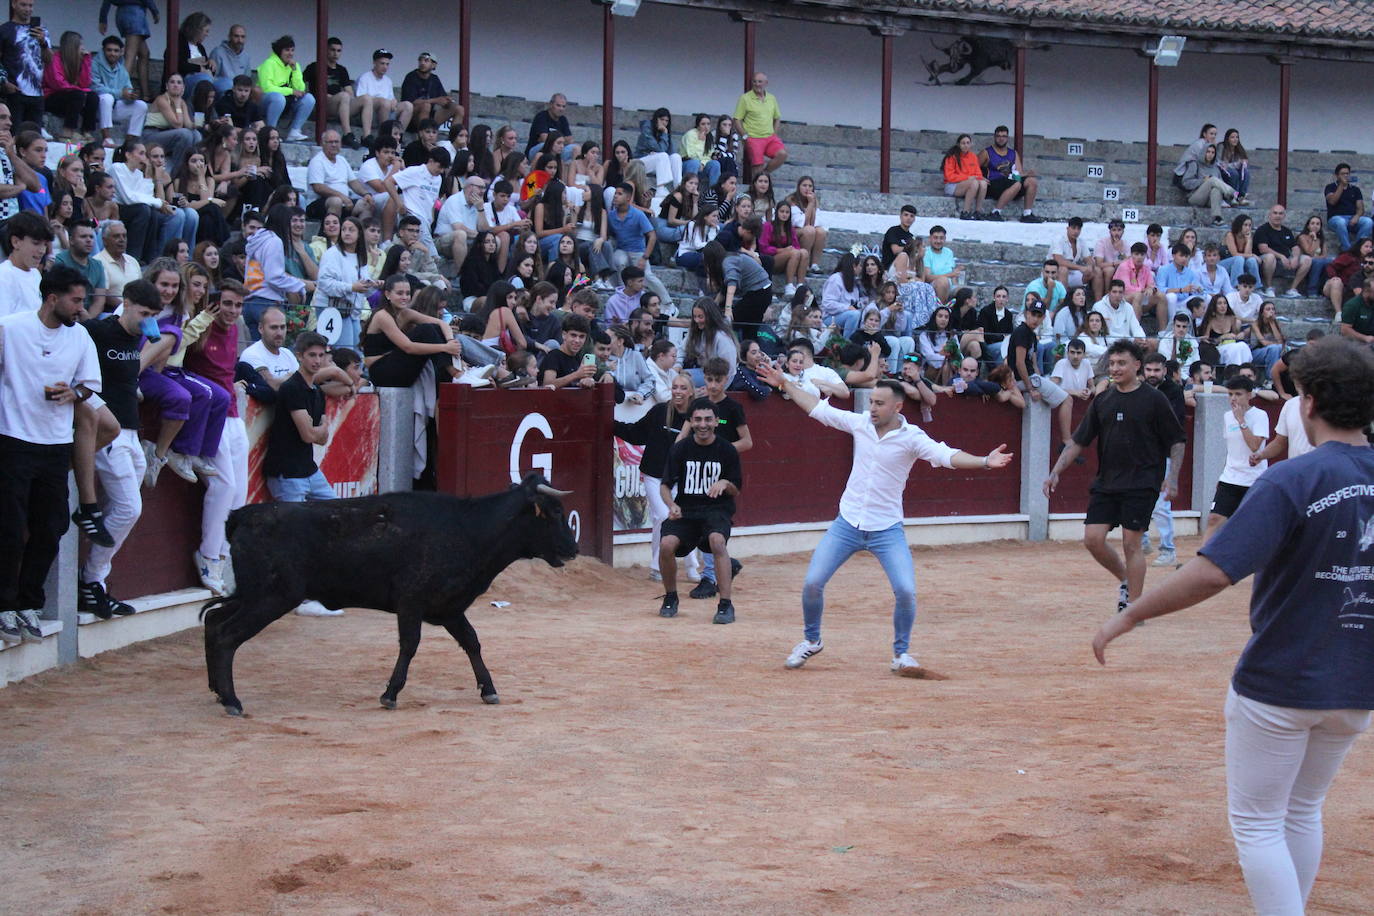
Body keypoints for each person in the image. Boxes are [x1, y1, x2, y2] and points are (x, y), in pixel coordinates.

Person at [1091, 336, 1374, 916]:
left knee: (1259, 823)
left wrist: (1130, 615)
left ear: (1308, 403)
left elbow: (1214, 573)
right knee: (1302, 809)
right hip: (1358, 682)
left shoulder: (1292, 480)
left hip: (1282, 678)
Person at [759, 365, 1011, 674]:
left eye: (879, 403)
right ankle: (811, 640)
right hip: (847, 523)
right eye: (871, 402)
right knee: (812, 582)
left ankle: (901, 654)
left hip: (886, 529)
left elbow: (947, 456)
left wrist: (984, 461)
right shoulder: (861, 423)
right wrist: (784, 382)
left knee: (905, 590)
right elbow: (817, 409)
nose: (872, 408)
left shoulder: (912, 438)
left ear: (897, 407)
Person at [1044, 340, 1186, 617]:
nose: (1115, 368)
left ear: (1137, 366)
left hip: (1143, 481)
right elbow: (1078, 441)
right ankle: (1127, 581)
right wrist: (1055, 472)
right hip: (1107, 481)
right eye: (1112, 364)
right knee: (1092, 539)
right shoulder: (1104, 400)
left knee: (1132, 543)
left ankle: (1134, 606)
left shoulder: (1155, 399)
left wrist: (1174, 478)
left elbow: (1177, 441)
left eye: (1122, 363)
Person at [0, 267, 101, 645]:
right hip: (12, 438)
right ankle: (4, 605)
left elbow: (90, 385)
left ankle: (28, 602)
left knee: (51, 526)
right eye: (76, 300)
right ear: (52, 298)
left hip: (55, 444)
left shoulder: (80, 339)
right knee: (9, 527)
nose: (81, 308)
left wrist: (74, 394)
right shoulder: (11, 327)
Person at [656, 397, 743, 624]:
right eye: (697, 420)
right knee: (665, 545)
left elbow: (736, 489)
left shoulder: (727, 450)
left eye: (707, 420)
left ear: (716, 422)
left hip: (717, 510)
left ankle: (725, 604)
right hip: (686, 511)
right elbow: (664, 485)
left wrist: (724, 483)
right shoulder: (680, 449)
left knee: (717, 541)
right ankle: (670, 597)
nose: (702, 424)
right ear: (691, 422)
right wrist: (671, 505)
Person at [1138, 351, 1187, 568]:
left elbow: (1171, 424)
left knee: (1160, 504)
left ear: (1165, 371)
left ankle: (1168, 549)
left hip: (1164, 453)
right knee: (1138, 497)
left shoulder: (1173, 391)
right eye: (1149, 370)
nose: (1152, 374)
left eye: (1157, 370)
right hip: (1142, 453)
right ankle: (1143, 540)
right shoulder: (1140, 389)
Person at [1009, 301, 1074, 449]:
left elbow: (1033, 364)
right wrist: (1031, 388)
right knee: (1067, 400)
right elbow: (1020, 363)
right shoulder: (1022, 332)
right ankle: (1066, 441)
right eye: (1033, 314)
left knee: (1056, 395)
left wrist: (1039, 381)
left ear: (1044, 318)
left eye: (1039, 316)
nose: (1035, 319)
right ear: (1027, 314)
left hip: (1029, 377)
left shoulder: (1030, 334)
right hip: (1022, 379)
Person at [977, 124, 1041, 222]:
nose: (1001, 139)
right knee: (1016, 184)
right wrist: (980, 177)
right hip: (994, 183)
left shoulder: (1013, 153)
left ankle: (1027, 214)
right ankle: (995, 212)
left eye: (1004, 136)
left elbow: (1018, 173)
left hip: (1011, 180)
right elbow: (973, 167)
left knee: (1031, 181)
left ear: (1007, 138)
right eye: (998, 136)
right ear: (994, 137)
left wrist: (1028, 174)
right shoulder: (986, 152)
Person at [257, 35, 315, 142]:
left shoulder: (294, 66)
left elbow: (301, 88)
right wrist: (291, 91)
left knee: (309, 98)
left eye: (292, 50)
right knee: (278, 98)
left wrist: (295, 70)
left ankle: (295, 131)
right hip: (266, 101)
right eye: (287, 50)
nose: (290, 53)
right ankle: (271, 132)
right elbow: (266, 88)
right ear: (279, 51)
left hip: (286, 102)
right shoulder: (269, 63)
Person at [0, 0, 49, 126]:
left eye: (31, 5)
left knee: (34, 136)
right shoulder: (4, 30)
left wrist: (43, 43)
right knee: (15, 134)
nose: (28, 9)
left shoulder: (41, 31)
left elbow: (49, 60)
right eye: (23, 4)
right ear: (14, 4)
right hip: (14, 91)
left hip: (37, 93)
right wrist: (4, 82)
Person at [91, 35, 147, 143]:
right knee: (107, 98)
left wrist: (132, 95)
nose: (113, 53)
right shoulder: (94, 64)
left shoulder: (121, 69)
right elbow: (95, 87)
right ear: (103, 50)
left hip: (114, 108)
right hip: (97, 108)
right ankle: (106, 138)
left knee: (141, 105)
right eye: (109, 50)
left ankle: (129, 142)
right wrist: (120, 94)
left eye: (116, 51)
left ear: (121, 52)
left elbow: (127, 88)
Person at [734, 72, 786, 180]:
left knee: (782, 155)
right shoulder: (745, 98)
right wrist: (745, 136)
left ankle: (764, 174)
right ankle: (757, 188)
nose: (757, 84)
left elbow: (777, 118)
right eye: (754, 81)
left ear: (766, 83)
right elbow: (737, 119)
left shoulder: (772, 98)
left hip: (770, 137)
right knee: (757, 165)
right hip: (753, 137)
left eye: (760, 81)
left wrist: (774, 134)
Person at [1253, 204, 1312, 299]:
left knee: (1307, 259)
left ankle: (1292, 289)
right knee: (1270, 257)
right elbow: (1263, 249)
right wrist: (1281, 256)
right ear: (1270, 215)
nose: (1277, 216)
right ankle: (1268, 287)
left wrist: (1295, 258)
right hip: (1266, 262)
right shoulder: (1263, 230)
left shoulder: (1287, 231)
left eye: (1280, 213)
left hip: (1285, 261)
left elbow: (1295, 248)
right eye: (1275, 213)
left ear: (1284, 216)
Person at [1324, 162, 1372, 253]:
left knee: (1368, 222)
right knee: (1340, 222)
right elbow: (1332, 201)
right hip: (1335, 219)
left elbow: (1361, 208)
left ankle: (1358, 248)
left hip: (1352, 218)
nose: (1346, 175)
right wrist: (1341, 185)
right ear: (1337, 175)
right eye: (1343, 174)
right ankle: (1348, 250)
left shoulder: (1355, 189)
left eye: (1347, 173)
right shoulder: (1330, 187)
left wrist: (1357, 216)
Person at [941, 134, 987, 220]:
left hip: (970, 183)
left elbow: (978, 174)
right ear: (958, 144)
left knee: (983, 183)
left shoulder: (973, 156)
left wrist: (980, 178)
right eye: (963, 143)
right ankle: (965, 212)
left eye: (968, 143)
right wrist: (968, 178)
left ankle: (978, 211)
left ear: (971, 144)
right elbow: (950, 177)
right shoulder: (951, 157)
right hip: (952, 185)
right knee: (974, 183)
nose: (966, 145)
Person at [526, 93, 573, 160]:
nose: (561, 109)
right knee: (548, 145)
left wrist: (555, 141)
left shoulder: (563, 119)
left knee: (575, 148)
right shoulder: (541, 116)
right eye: (558, 105)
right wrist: (562, 140)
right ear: (551, 104)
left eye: (563, 106)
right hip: (536, 151)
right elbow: (545, 140)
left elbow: (570, 140)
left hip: (557, 150)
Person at [1051, 217, 1094, 288]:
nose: (1076, 231)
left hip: (1072, 274)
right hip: (1054, 273)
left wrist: (1089, 266)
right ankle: (1063, 298)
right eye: (1073, 228)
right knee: (1063, 270)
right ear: (1067, 228)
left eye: (1078, 229)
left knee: (1096, 271)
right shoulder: (1058, 239)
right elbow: (1059, 261)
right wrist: (1080, 267)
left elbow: (1089, 259)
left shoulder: (1081, 241)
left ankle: (1099, 299)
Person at [1339, 278, 1374, 347]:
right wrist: (1365, 338)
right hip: (1356, 343)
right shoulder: (1352, 305)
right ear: (1367, 291)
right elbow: (1345, 330)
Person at [881, 204, 916, 269]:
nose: (908, 218)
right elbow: (896, 250)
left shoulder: (911, 237)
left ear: (914, 219)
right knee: (903, 255)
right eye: (906, 215)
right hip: (889, 269)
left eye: (911, 216)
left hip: (906, 269)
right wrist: (911, 248)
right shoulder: (893, 231)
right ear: (900, 216)